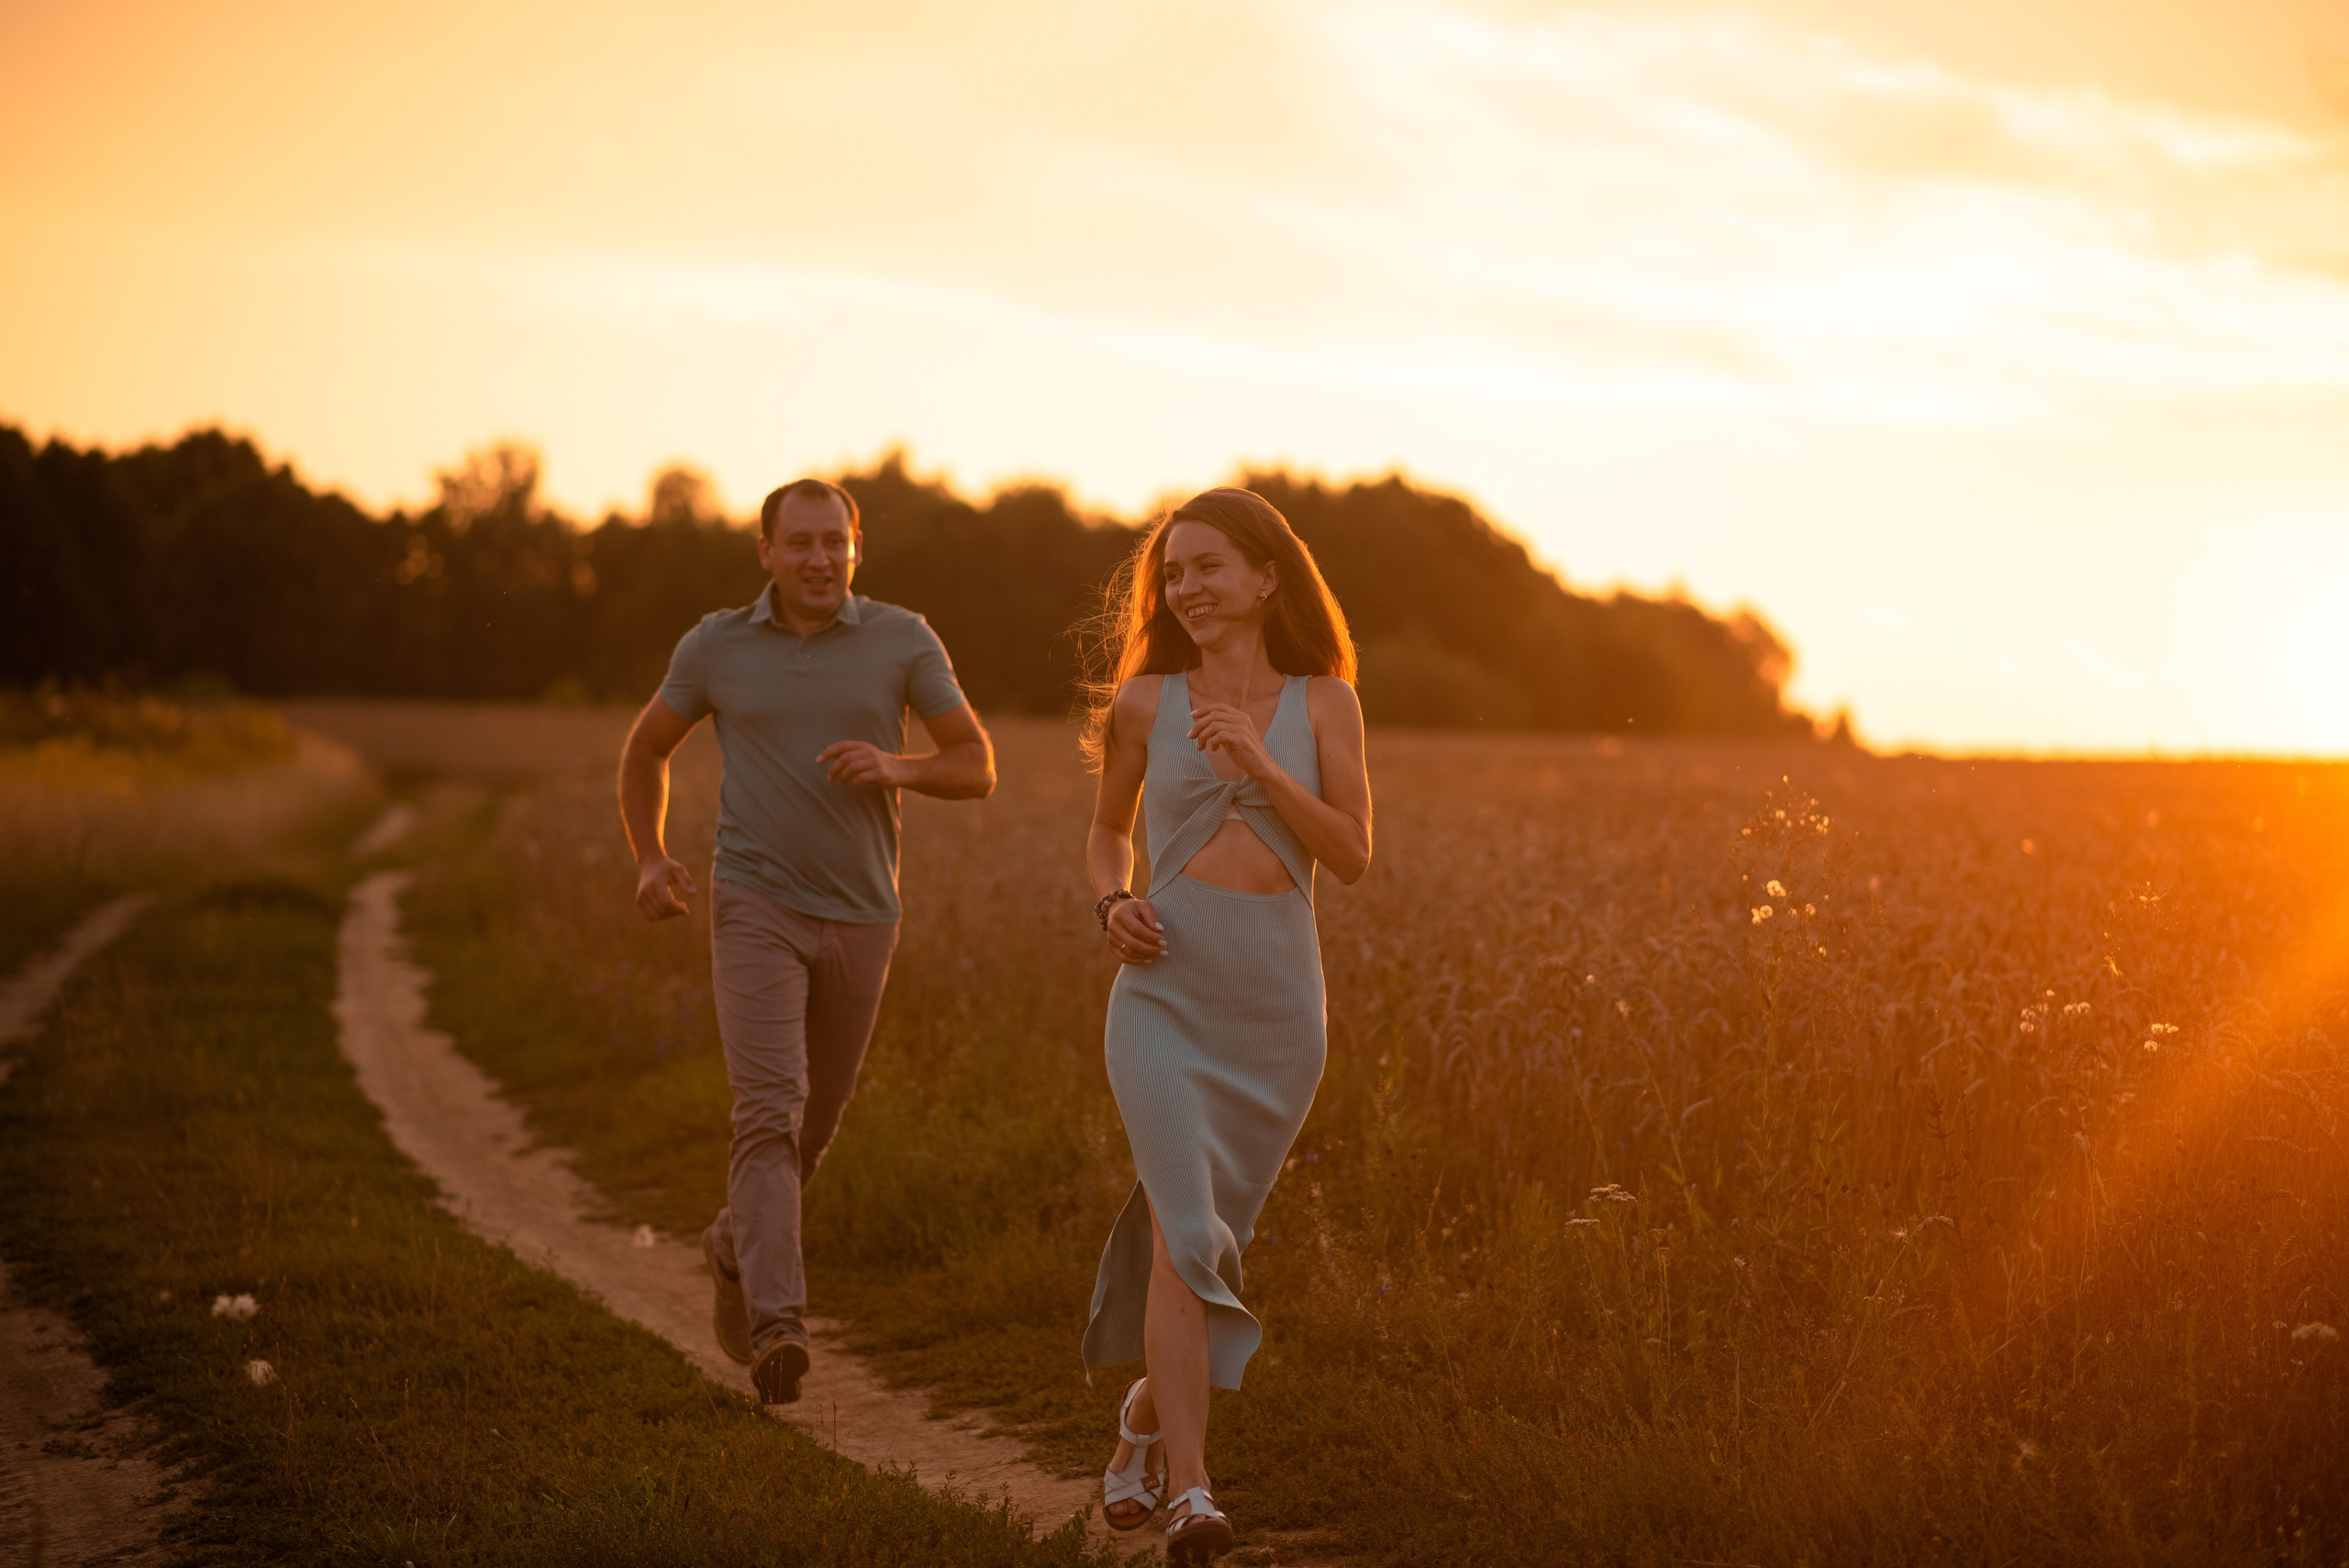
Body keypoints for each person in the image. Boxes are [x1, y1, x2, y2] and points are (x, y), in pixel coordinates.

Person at [617, 477, 995, 1407]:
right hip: (753, 901)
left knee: (813, 1128)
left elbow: (975, 763)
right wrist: (650, 856)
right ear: (767, 552)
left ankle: (732, 1243)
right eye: (801, 543)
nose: (819, 558)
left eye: (836, 541)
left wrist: (896, 766)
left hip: (866, 912)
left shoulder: (903, 637)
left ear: (856, 547)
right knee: (769, 1108)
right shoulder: (717, 644)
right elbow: (645, 749)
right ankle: (779, 1324)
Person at [1077, 487, 1373, 1562]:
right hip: (1163, 995)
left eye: (1209, 566)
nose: (1187, 587)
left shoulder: (1326, 703)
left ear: (1265, 578)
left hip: (1278, 1011)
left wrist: (1256, 759)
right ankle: (1193, 1491)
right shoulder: (1145, 702)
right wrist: (1112, 902)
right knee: (1184, 1239)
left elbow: (1349, 853)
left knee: (1211, 1250)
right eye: (1174, 572)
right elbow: (1107, 833)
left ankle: (1140, 1428)